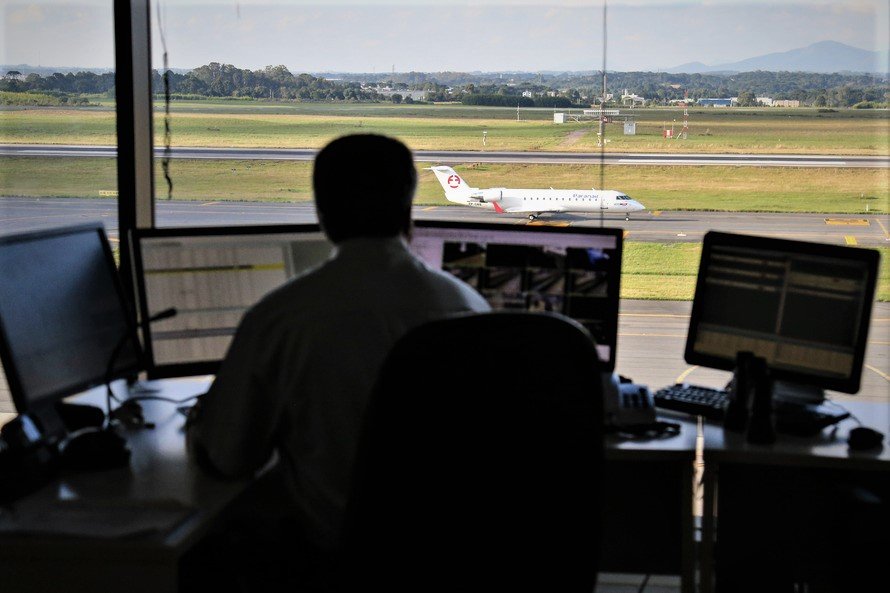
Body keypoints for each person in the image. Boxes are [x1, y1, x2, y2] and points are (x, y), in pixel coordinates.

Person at [187, 134, 490, 556]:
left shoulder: (281, 316)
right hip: (455, 551)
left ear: (322, 214)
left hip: (334, 553)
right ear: (407, 214)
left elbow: (228, 459)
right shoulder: (469, 305)